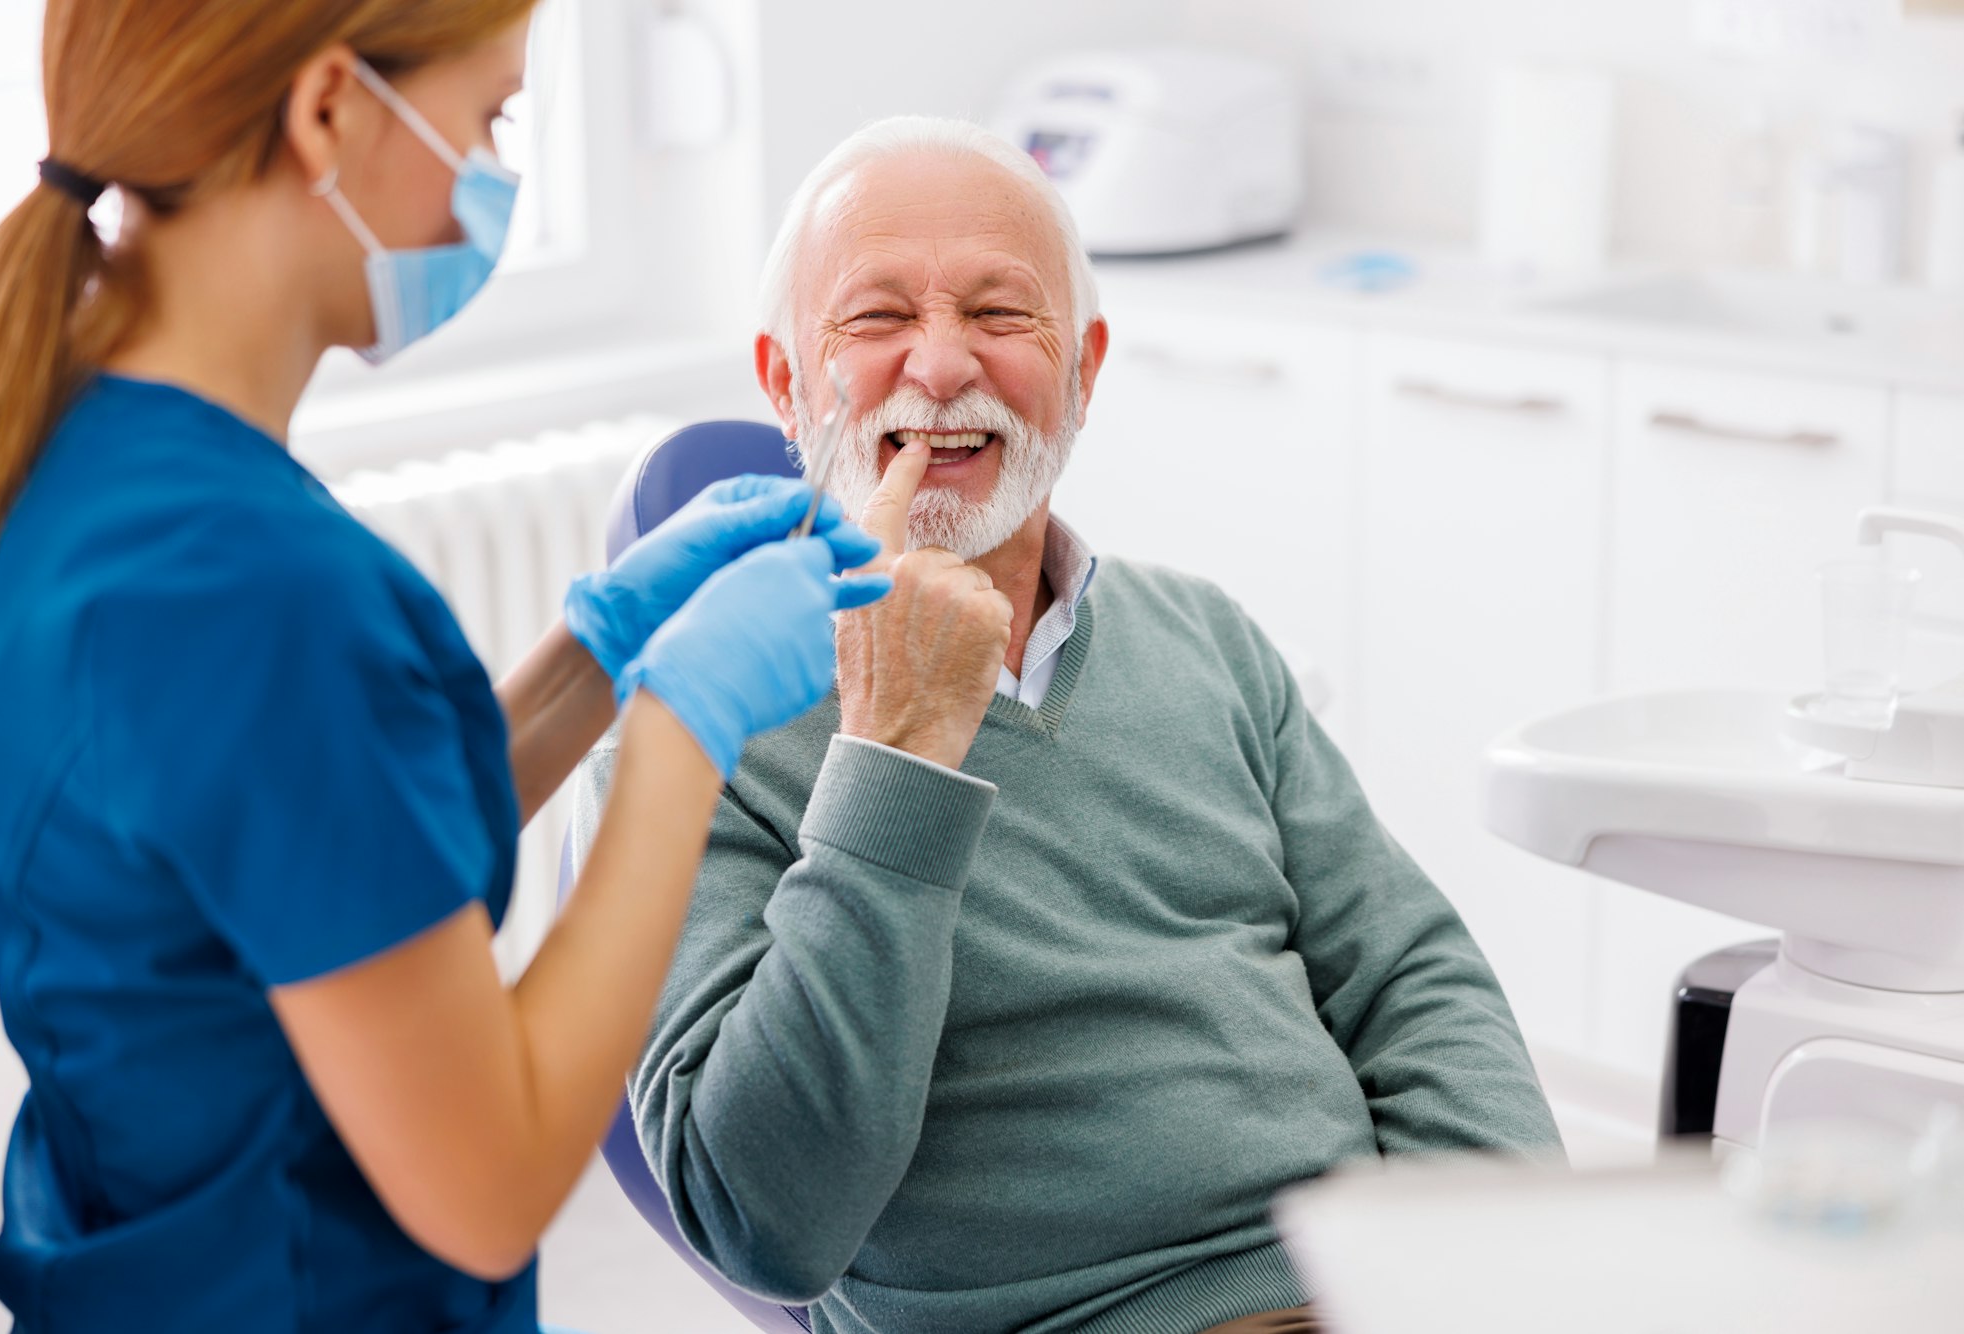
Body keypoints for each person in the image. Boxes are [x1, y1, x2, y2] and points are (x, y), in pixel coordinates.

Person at [0, 3, 907, 1329]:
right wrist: (686, 731)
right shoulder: (254, 590)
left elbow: (328, 860)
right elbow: (491, 1180)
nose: (497, 173)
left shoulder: (81, 460)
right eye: (490, 119)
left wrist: (600, 654)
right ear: (330, 110)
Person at [573, 116, 1565, 1334]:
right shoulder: (688, 750)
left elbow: (1410, 972)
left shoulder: (1203, 637)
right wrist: (894, 755)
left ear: (1083, 370)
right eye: (876, 318)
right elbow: (762, 1219)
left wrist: (1484, 1265)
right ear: (784, 382)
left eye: (999, 315)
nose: (940, 367)